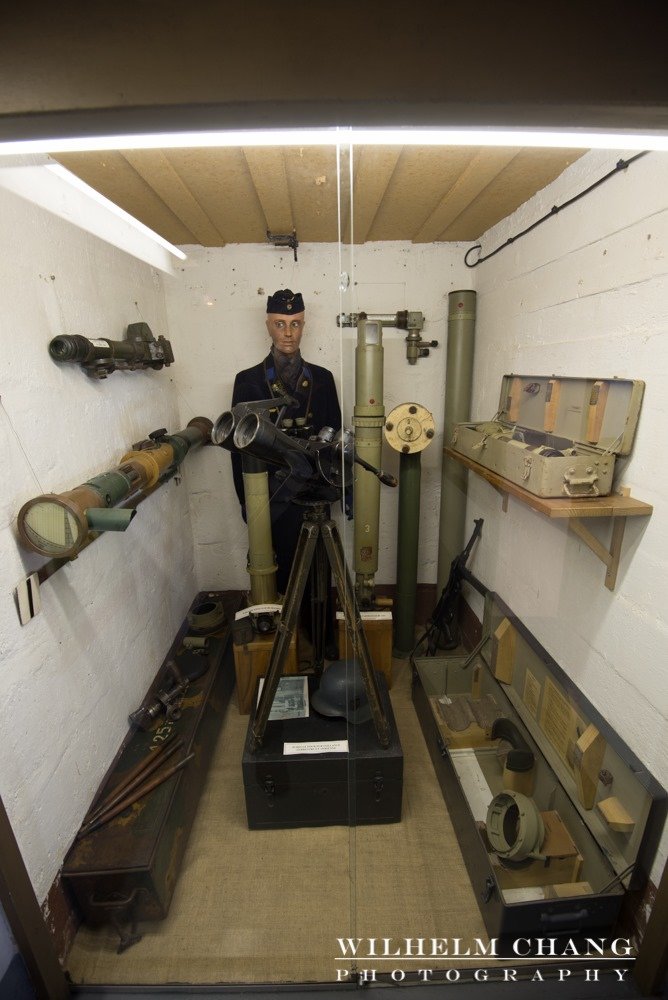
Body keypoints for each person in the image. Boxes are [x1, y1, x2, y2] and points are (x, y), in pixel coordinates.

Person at [230, 289, 341, 654]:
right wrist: (249, 504)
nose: (288, 332)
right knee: (273, 572)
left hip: (311, 494)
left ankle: (320, 642)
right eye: (281, 324)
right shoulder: (248, 380)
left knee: (318, 575)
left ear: (304, 325)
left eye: (295, 324)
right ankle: (283, 649)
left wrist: (329, 491)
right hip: (272, 497)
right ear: (268, 325)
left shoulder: (322, 379)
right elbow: (238, 449)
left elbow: (334, 442)